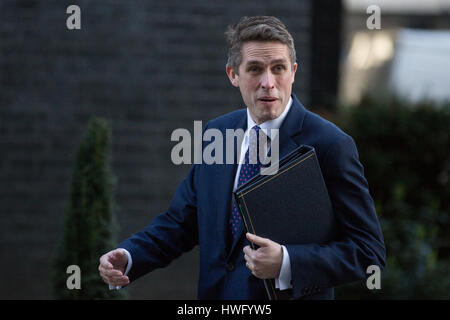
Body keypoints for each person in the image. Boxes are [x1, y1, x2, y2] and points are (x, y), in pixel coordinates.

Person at [98, 16, 385, 300]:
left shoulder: (331, 144)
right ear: (233, 74)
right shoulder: (216, 132)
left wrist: (286, 262)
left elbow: (368, 251)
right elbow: (181, 223)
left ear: (294, 71)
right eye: (255, 69)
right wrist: (130, 256)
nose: (268, 82)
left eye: (279, 68)